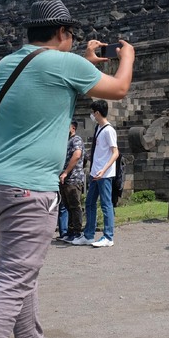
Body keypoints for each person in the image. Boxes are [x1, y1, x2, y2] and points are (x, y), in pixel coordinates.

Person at [0, 0, 134, 338]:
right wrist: (128, 55)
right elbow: (119, 88)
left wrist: (83, 60)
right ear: (62, 33)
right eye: (71, 36)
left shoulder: (8, 64)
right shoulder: (65, 63)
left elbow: (53, 88)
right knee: (13, 281)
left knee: (20, 272)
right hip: (28, 189)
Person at [73, 100, 120, 248]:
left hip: (104, 174)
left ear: (97, 113)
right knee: (89, 202)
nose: (92, 115)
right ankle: (88, 235)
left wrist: (104, 169)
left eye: (93, 112)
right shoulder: (99, 128)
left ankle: (108, 236)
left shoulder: (108, 130)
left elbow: (115, 153)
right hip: (95, 172)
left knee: (106, 204)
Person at [57, 120, 85, 243]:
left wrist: (66, 172)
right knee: (68, 206)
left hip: (73, 178)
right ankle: (70, 231)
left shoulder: (76, 140)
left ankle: (77, 231)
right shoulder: (66, 141)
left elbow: (77, 155)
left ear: (73, 128)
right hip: (65, 179)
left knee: (75, 206)